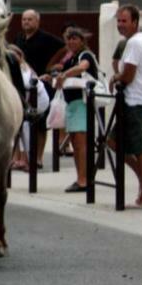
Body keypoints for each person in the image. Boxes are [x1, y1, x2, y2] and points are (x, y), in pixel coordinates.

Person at [110, 4, 142, 208]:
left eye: (124, 21)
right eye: (118, 21)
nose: (120, 25)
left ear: (135, 22)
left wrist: (116, 77)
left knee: (139, 149)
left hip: (134, 102)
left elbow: (128, 75)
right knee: (112, 141)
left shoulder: (135, 44)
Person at [46, 26, 98, 192]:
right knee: (76, 142)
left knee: (81, 143)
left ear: (82, 41)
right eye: (69, 39)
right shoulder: (70, 58)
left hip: (81, 103)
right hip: (72, 103)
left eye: (75, 38)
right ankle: (81, 177)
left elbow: (83, 67)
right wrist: (52, 78)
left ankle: (84, 180)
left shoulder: (85, 55)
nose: (71, 41)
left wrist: (64, 74)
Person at [14, 9, 64, 166]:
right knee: (21, 123)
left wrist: (52, 67)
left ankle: (39, 158)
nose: (26, 22)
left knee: (40, 123)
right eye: (24, 19)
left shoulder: (46, 38)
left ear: (37, 21)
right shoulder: (19, 38)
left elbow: (64, 49)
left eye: (30, 19)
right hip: (24, 85)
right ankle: (20, 158)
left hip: (42, 85)